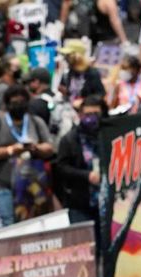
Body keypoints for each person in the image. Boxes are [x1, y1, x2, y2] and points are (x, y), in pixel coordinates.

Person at [0, 83, 54, 227]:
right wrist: (10, 150)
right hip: (3, 183)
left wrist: (35, 148)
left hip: (32, 184)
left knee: (34, 223)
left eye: (21, 102)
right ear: (7, 104)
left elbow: (50, 147)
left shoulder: (35, 121)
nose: (18, 106)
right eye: (14, 103)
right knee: (9, 224)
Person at [52, 94, 104, 226]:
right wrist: (86, 176)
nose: (92, 118)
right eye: (88, 114)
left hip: (106, 202)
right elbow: (61, 168)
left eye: (96, 113)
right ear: (80, 115)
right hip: (80, 202)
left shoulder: (108, 136)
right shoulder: (69, 139)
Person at [59, 42, 105, 109]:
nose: (66, 59)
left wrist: (84, 101)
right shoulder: (67, 73)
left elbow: (100, 94)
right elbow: (64, 90)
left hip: (86, 111)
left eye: (68, 55)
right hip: (69, 110)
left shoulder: (92, 73)